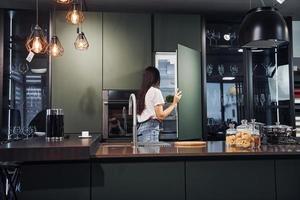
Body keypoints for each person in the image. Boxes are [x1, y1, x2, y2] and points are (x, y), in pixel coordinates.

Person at [137, 66, 182, 143]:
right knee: (152, 154)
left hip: (141, 130)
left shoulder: (143, 93)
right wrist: (174, 103)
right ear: (156, 78)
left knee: (144, 154)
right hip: (150, 129)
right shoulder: (155, 91)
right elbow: (160, 115)